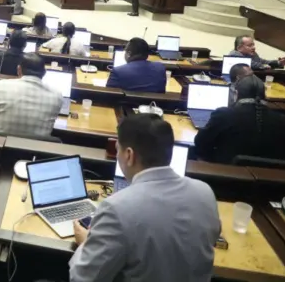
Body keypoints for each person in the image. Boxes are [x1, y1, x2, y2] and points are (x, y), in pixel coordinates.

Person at [69, 114, 220, 282]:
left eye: (117, 149)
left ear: (128, 155)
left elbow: (82, 278)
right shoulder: (205, 193)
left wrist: (86, 244)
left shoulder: (116, 208)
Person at [195, 74, 285, 164]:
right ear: (264, 95)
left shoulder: (223, 114)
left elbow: (200, 143)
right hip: (272, 180)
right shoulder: (283, 120)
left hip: (224, 176)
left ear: (236, 94)